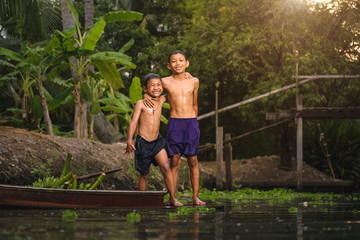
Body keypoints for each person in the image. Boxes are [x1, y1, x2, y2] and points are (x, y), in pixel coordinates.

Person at [145, 50, 206, 206]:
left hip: (191, 123)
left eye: (181, 60)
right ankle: (172, 197)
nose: (177, 63)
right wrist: (146, 95)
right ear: (168, 65)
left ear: (187, 63)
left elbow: (194, 103)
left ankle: (195, 197)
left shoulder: (194, 81)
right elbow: (152, 86)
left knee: (193, 160)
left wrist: (196, 122)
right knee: (175, 161)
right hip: (175, 123)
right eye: (174, 61)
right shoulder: (165, 82)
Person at [124, 73, 183, 207]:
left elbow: (174, 89)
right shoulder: (141, 103)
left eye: (158, 85)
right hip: (143, 142)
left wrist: (184, 76)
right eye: (152, 86)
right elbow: (133, 123)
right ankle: (142, 201)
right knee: (144, 174)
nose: (156, 88)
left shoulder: (161, 100)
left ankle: (173, 199)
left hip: (157, 142)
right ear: (145, 89)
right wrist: (129, 141)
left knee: (166, 167)